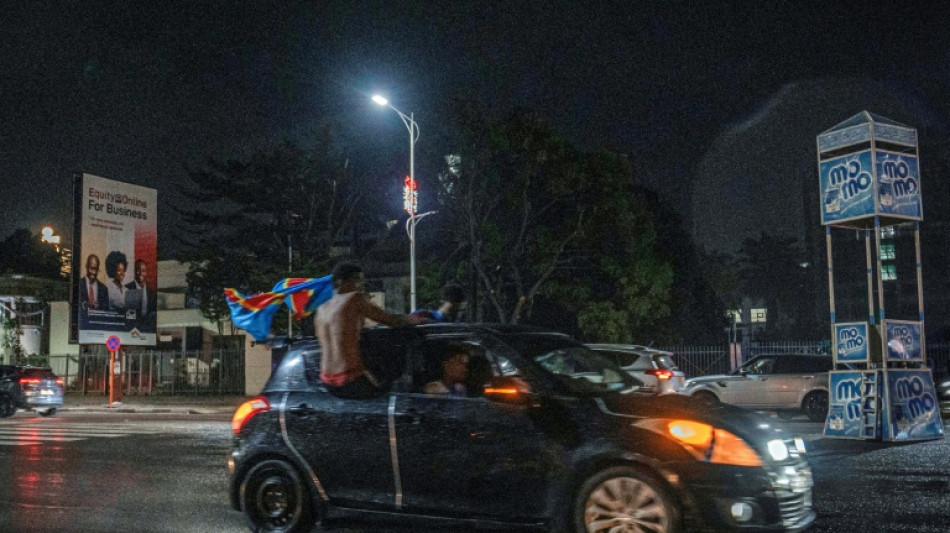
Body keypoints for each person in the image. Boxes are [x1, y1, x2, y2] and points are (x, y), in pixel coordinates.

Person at [315, 262, 424, 399]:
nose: (360, 284)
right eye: (356, 280)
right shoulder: (355, 298)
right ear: (340, 281)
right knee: (396, 399)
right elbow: (391, 320)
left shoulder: (322, 308)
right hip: (349, 377)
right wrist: (415, 319)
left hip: (326, 379)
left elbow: (338, 333)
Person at [125, 259, 157, 325]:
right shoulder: (127, 288)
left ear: (146, 272)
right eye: (138, 270)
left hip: (147, 327)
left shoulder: (151, 292)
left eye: (143, 271)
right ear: (134, 271)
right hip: (132, 325)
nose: (141, 273)